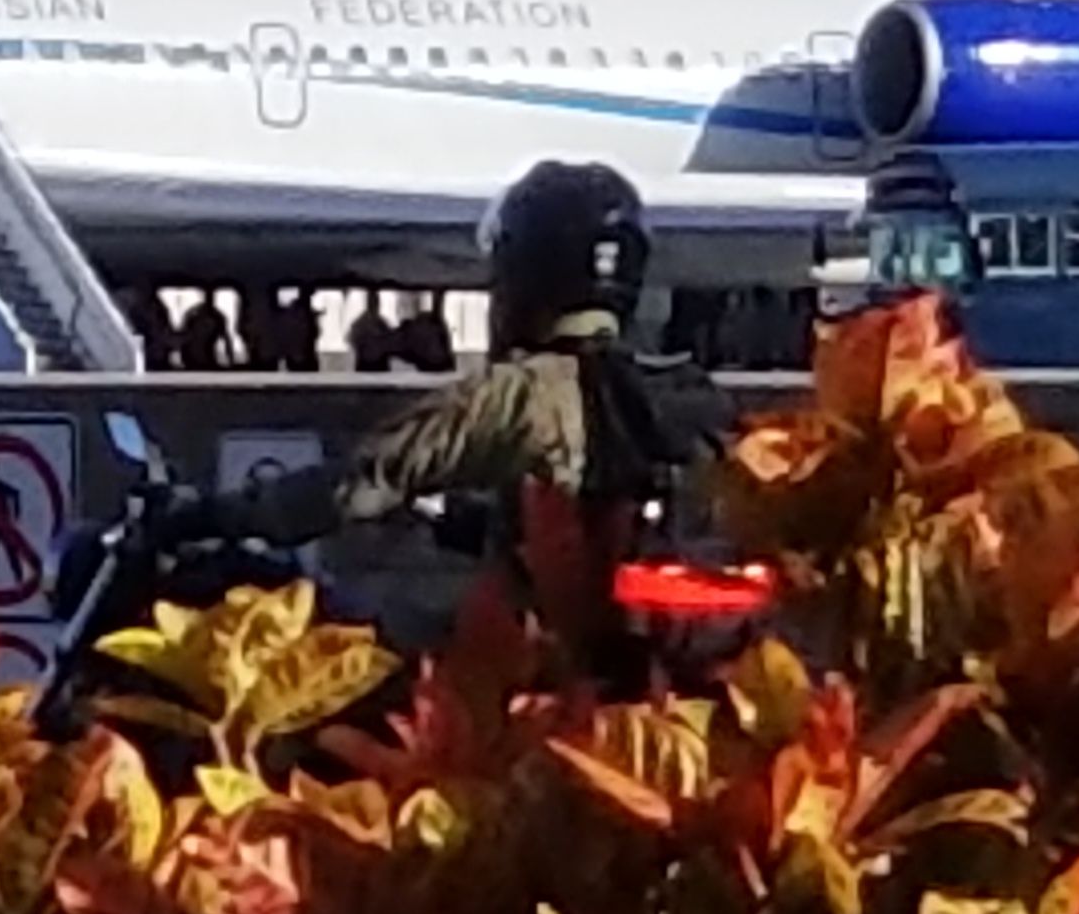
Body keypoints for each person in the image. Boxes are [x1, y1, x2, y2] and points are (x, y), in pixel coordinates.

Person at [165, 163, 736, 656]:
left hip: (546, 682)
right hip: (681, 681)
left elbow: (363, 482)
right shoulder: (691, 394)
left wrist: (218, 516)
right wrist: (470, 524)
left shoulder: (514, 395)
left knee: (380, 657)